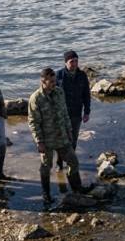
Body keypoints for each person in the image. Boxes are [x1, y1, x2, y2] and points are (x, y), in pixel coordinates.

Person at [28, 67, 85, 207]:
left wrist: (70, 131)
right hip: (46, 140)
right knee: (46, 167)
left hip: (62, 137)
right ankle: (46, 194)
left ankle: (77, 189)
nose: (54, 83)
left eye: (55, 80)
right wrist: (39, 141)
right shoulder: (36, 98)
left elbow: (65, 113)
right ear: (43, 81)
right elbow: (33, 122)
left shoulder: (59, 92)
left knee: (73, 161)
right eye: (51, 81)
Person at [55, 50, 91, 152]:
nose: (74, 64)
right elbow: (52, 96)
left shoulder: (82, 75)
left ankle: (71, 161)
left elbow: (86, 95)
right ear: (65, 62)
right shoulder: (59, 76)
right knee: (62, 139)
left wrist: (87, 112)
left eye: (76, 61)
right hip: (61, 114)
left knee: (74, 139)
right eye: (71, 61)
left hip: (76, 113)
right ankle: (60, 162)